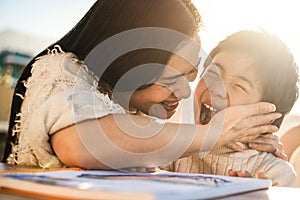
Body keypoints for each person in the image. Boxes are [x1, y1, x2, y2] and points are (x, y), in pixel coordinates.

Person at [3, 0, 281, 170]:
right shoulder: (60, 71)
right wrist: (214, 135)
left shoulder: (129, 104)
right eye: (171, 79)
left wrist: (250, 141)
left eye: (191, 73)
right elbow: (81, 145)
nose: (185, 92)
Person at [164, 30, 298, 186]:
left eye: (239, 86)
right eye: (213, 73)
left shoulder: (274, 172)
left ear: (266, 116)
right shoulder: (175, 149)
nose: (217, 89)